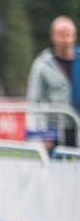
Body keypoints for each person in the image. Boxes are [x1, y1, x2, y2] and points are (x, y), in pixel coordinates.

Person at [27, 16, 80, 147]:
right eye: (61, 35)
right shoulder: (43, 64)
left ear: (74, 36)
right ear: (53, 37)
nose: (65, 40)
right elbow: (34, 100)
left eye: (68, 35)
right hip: (55, 129)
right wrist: (43, 133)